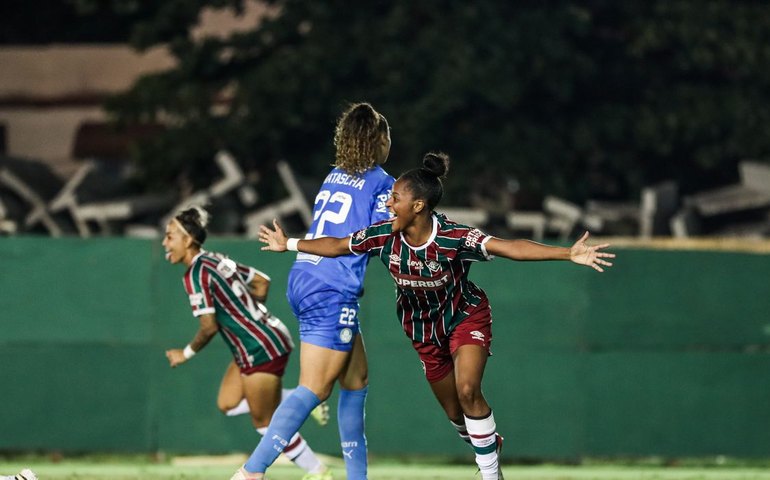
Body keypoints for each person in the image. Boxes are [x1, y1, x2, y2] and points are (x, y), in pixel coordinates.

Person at [258, 152, 616, 480]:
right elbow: (336, 245)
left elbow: (510, 247)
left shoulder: (453, 237)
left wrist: (567, 253)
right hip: (424, 333)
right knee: (456, 415)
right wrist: (288, 244)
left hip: (465, 317)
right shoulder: (383, 235)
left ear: (417, 205)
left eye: (395, 198)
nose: (387, 202)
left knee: (467, 390)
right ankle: (488, 442)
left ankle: (492, 474)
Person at [232, 102, 394, 480]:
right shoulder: (382, 183)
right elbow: (380, 237)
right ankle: (251, 472)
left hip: (306, 276)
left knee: (355, 382)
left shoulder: (334, 176)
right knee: (315, 388)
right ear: (379, 140)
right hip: (332, 287)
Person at [162, 206, 332, 480]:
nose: (164, 243)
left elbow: (208, 326)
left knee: (264, 422)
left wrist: (185, 353)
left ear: (188, 240)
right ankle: (292, 399)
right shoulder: (216, 260)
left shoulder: (195, 275)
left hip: (260, 348)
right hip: (263, 339)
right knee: (227, 403)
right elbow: (262, 282)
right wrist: (250, 320)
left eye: (170, 236)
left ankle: (318, 472)